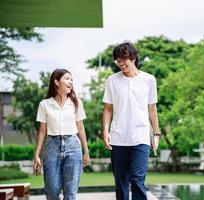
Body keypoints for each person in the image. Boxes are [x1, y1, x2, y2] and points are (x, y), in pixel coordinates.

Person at [102, 41, 160, 200]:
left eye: (123, 59)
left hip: (141, 137)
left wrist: (156, 133)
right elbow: (107, 109)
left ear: (133, 57)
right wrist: (105, 132)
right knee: (121, 183)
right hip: (118, 137)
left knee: (137, 178)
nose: (120, 63)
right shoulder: (112, 80)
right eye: (117, 60)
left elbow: (152, 109)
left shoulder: (149, 80)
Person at [33, 69, 90, 200]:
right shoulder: (44, 104)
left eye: (71, 79)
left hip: (73, 146)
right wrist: (36, 155)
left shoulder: (76, 102)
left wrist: (86, 151)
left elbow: (80, 127)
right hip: (52, 146)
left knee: (70, 194)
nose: (70, 82)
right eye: (67, 79)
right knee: (52, 191)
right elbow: (42, 131)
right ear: (57, 82)